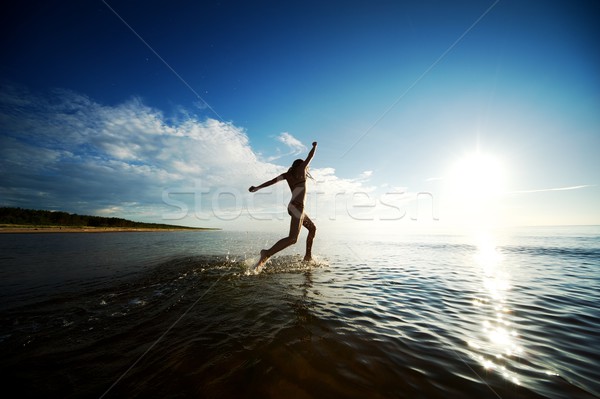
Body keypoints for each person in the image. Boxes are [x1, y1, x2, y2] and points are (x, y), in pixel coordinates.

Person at [249, 141, 317, 269]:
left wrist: (257, 188)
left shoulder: (287, 175)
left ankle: (308, 256)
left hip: (293, 207)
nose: (306, 169)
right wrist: (315, 147)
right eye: (305, 166)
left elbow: (271, 181)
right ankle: (266, 253)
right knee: (293, 238)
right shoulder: (301, 170)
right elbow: (310, 157)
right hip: (297, 207)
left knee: (312, 229)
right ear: (301, 166)